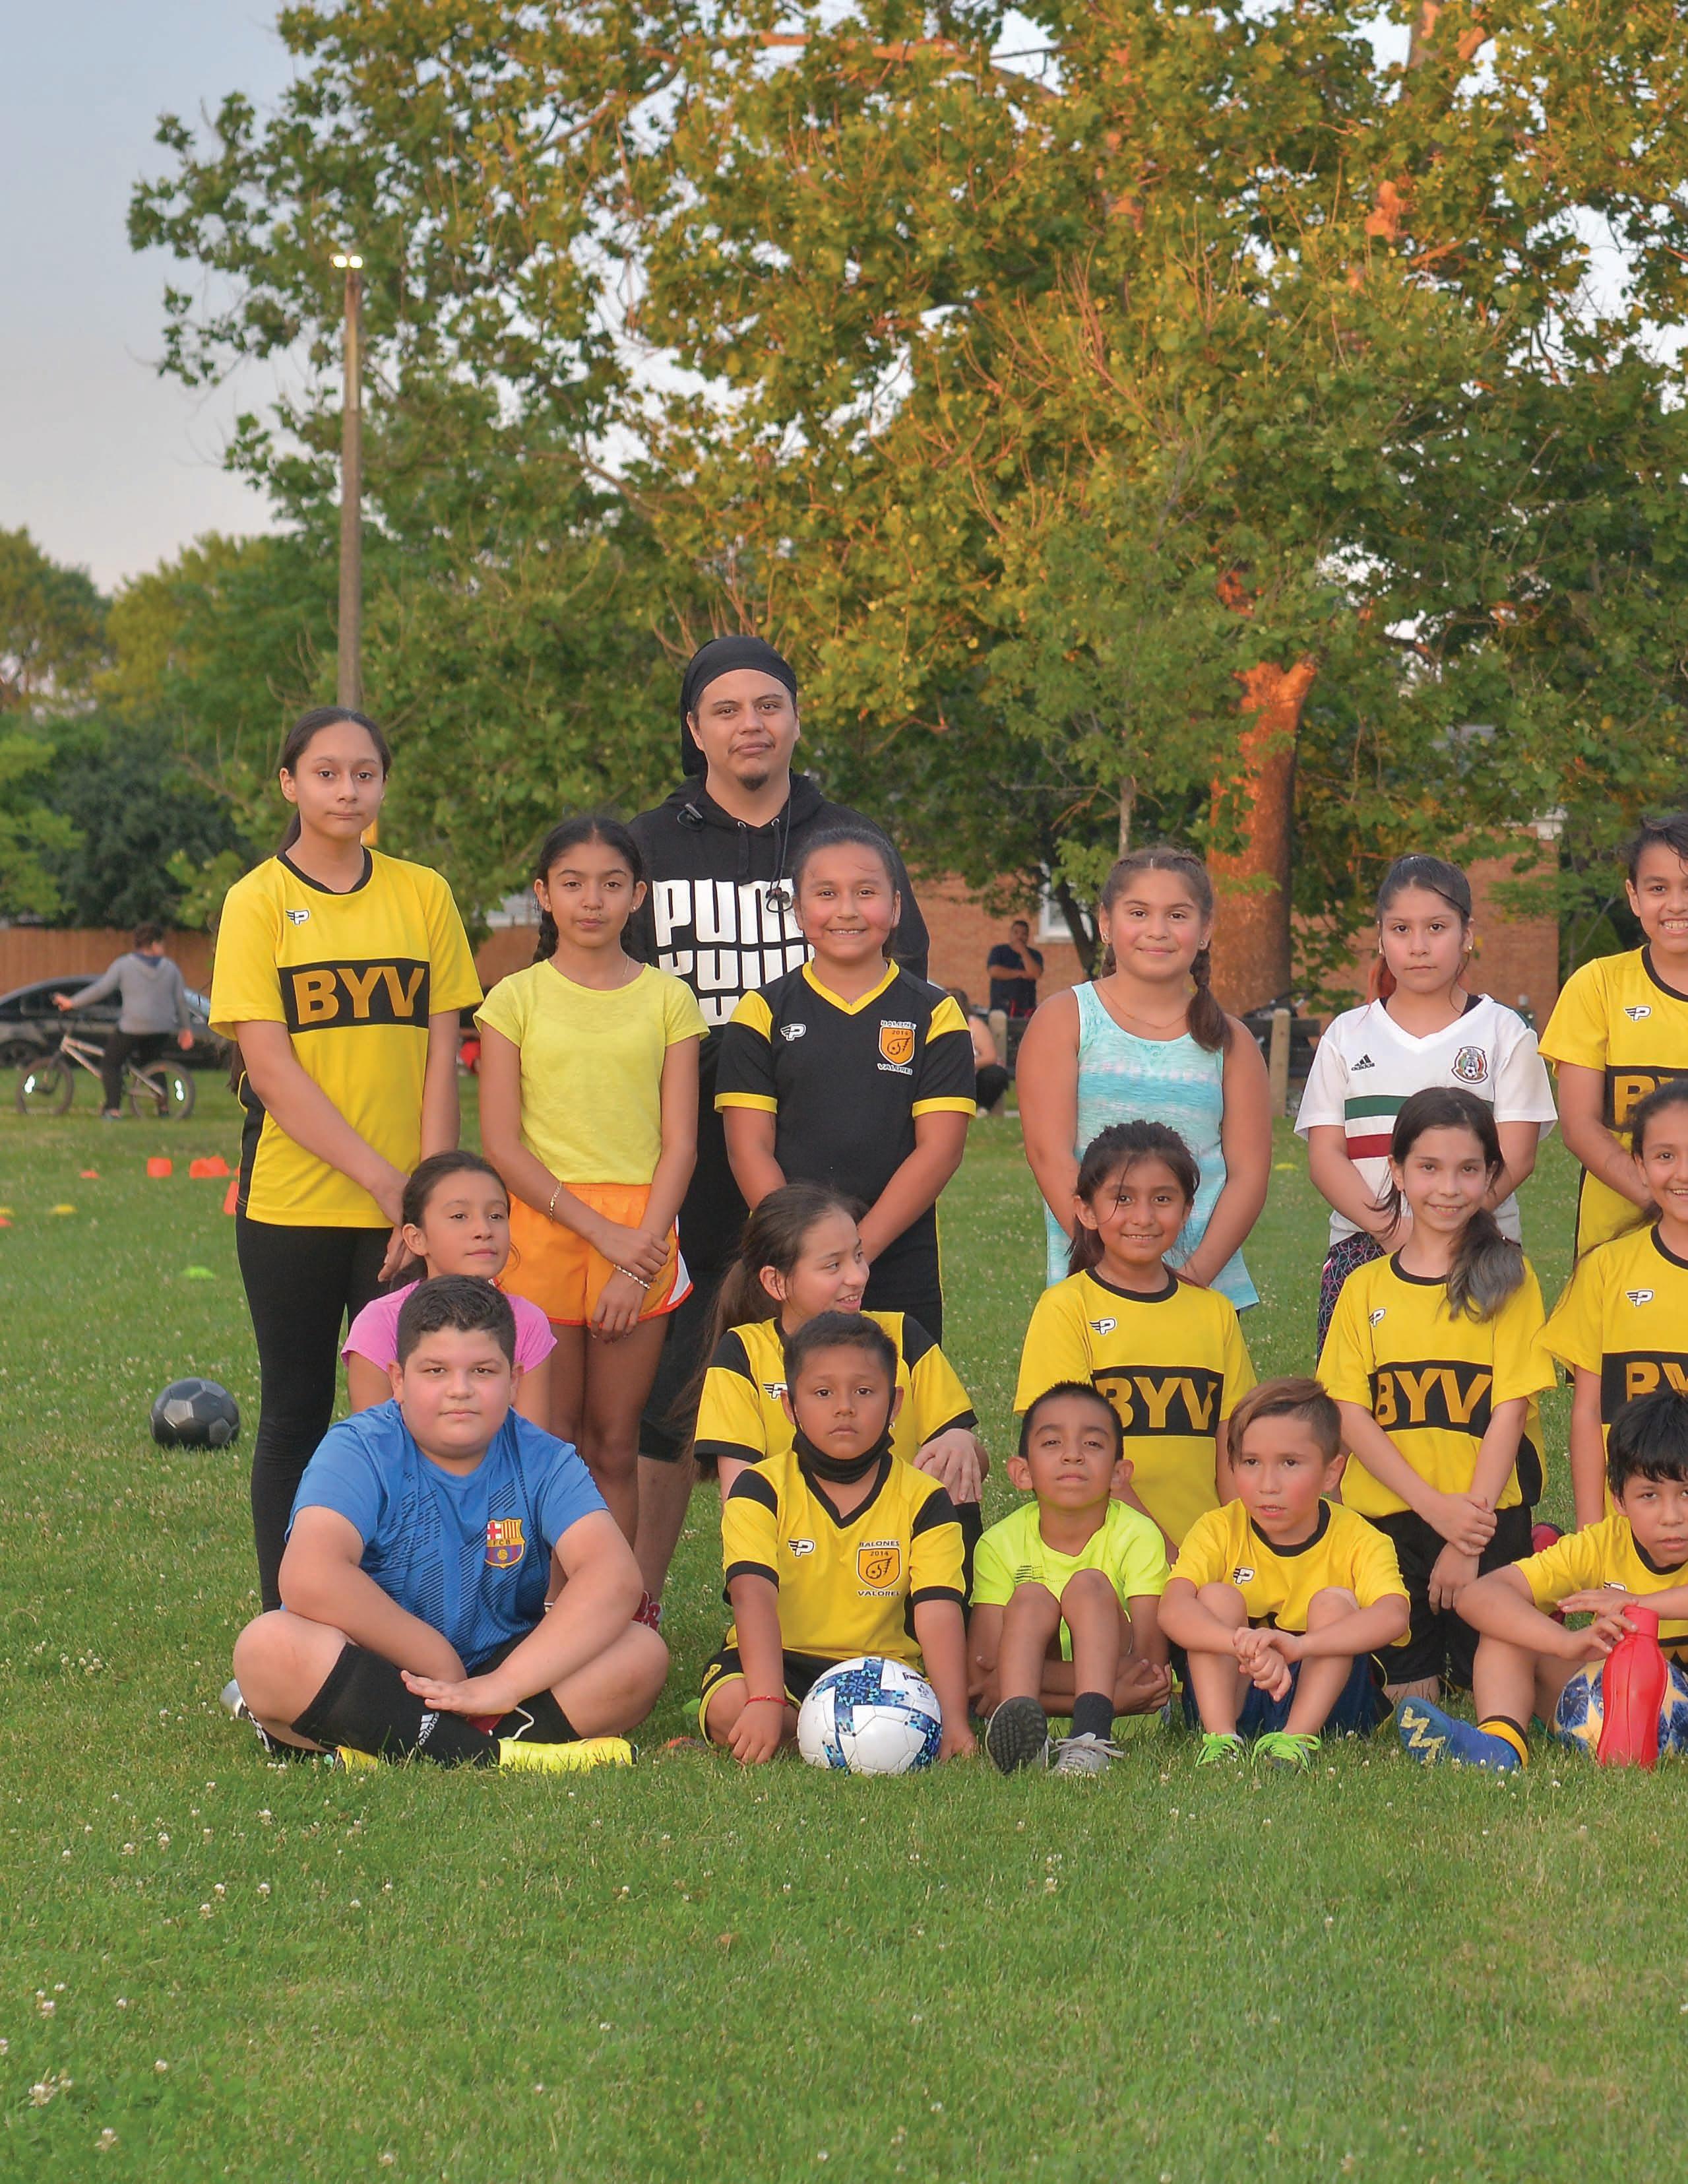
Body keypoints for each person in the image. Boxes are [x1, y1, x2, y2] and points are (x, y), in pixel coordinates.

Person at [624, 633, 930, 1597]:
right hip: (690, 1164)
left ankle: (871, 1596)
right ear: (694, 728)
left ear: (796, 718)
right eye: (725, 708)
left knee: (860, 1385)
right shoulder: (647, 847)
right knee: (674, 1398)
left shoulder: (850, 843)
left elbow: (907, 993)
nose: (749, 724)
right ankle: (636, 1600)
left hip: (848, 1171)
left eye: (768, 704)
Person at [210, 707, 482, 1610]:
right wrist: (387, 1184)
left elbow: (441, 1058)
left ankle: (401, 1611)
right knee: (294, 1413)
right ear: (289, 782)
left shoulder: (424, 894)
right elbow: (272, 1071)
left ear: (382, 785)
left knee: (409, 1416)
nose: (347, 790)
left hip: (404, 1219)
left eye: (364, 773)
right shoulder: (256, 899)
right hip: (292, 1206)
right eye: (325, 773)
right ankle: (286, 1628)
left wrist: (430, 1199)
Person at [228, 1277, 668, 1770]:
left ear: (514, 1381)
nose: (460, 1390)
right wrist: (436, 1659)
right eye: (435, 1371)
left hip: (497, 1669)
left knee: (641, 1653)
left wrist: (503, 1684)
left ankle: (391, 1747)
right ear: (398, 1380)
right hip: (377, 1667)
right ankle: (496, 1753)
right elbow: (309, 1575)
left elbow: (614, 1577)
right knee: (267, 1648)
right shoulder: (359, 1448)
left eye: (483, 1371)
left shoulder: (545, 1459)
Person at [475, 816, 705, 1609]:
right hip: (543, 1229)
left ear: (637, 895)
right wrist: (599, 1234)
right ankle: (540, 1614)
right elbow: (502, 1143)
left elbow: (681, 1145)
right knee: (550, 1442)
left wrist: (633, 1257)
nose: (592, 900)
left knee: (613, 1442)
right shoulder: (514, 999)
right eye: (572, 883)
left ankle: (612, 1613)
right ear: (543, 894)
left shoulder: (668, 999)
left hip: (642, 1237)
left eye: (612, 884)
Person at [1317, 1088, 1552, 1702]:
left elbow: (1509, 1411)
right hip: (1391, 1521)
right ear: (1396, 1171)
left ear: (1490, 1175)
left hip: (1486, 1518)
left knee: (1491, 1683)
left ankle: (1535, 1565)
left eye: (1467, 1169)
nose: (1448, 1188)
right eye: (1428, 1167)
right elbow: (1349, 1413)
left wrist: (1464, 1535)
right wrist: (1432, 1510)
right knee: (1408, 1700)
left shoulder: (1509, 1278)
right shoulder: (1364, 1288)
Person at [716, 823, 974, 1336]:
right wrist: (802, 1255)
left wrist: (852, 1257)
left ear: (896, 908)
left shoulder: (935, 1013)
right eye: (826, 894)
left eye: (866, 892)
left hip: (897, 1258)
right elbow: (749, 1148)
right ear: (797, 910)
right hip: (791, 1267)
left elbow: (939, 1150)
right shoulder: (761, 1011)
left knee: (898, 1384)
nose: (847, 910)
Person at [1297, 854, 1556, 1355]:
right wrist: (1396, 1233)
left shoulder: (1504, 1033)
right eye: (1401, 929)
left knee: (1475, 1390)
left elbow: (1516, 1155)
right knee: (1360, 1393)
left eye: (1436, 927)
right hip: (1367, 1246)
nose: (1418, 946)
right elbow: (1325, 1155)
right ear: (1380, 938)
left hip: (1478, 1246)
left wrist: (1442, 1232)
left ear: (1467, 934)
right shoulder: (1346, 1036)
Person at [699, 1312, 973, 1764]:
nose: (844, 1407)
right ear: (790, 1407)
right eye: (823, 1393)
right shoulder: (760, 1487)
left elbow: (938, 1612)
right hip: (781, 1661)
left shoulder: (925, 1498)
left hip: (882, 1670)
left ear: (895, 1404)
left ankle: (819, 1733)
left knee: (895, 1723)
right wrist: (766, 1698)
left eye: (864, 1392)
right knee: (732, 1706)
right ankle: (813, 1726)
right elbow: (752, 1594)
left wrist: (955, 1721)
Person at [1016, 844, 1269, 1306]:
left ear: (1205, 930)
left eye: (1177, 915)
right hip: (1093, 1283)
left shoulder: (1230, 1042)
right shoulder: (1066, 1020)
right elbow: (1049, 1155)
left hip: (1202, 1289)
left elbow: (1249, 1176)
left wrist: (1190, 1281)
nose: (1158, 930)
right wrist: (1111, 1269)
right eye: (1138, 913)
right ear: (1106, 924)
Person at [1398, 1390, 1688, 1770]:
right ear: (1618, 1499)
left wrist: (1636, 1605)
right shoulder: (1603, 1544)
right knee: (1507, 1631)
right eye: (1649, 1495)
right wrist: (1566, 1643)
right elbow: (1479, 1596)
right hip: (1610, 1702)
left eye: (1686, 1493)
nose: (1672, 1516)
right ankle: (1500, 1746)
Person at [1014, 1122, 1256, 1553]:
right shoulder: (1066, 1308)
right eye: (1122, 1199)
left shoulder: (1214, 1312)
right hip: (1101, 1555)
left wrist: (1234, 1548)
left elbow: (1233, 1450)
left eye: (1162, 1199)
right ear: (1086, 1210)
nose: (1143, 1217)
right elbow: (1073, 1455)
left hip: (1202, 1552)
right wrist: (1165, 1556)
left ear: (1186, 1211)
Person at [691, 1184, 987, 1535]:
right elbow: (740, 1500)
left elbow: (973, 1461)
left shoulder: (902, 1336)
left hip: (897, 1547)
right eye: (833, 1265)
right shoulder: (744, 1353)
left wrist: (960, 1442)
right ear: (776, 1282)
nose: (858, 1276)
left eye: (858, 1256)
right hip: (793, 1552)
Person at [1160, 1379, 1410, 1768]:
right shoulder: (1217, 1528)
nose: (1268, 1485)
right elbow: (1172, 1609)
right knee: (1214, 1597)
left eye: (1290, 1463)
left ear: (1331, 1473)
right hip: (1237, 1685)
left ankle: (1297, 1740)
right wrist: (1241, 1643)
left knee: (1334, 1603)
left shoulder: (1361, 1537)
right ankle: (1221, 1739)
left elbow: (1394, 1616)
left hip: (1330, 1706)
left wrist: (1301, 1647)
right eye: (1251, 1463)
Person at [970, 1383, 1171, 1776]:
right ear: (1022, 1472)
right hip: (1112, 1703)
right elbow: (982, 1682)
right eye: (1052, 1443)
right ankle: (1029, 1745)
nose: (1073, 1455)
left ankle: (1091, 1737)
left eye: (1093, 1444)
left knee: (1088, 1586)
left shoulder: (1139, 1535)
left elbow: (1149, 1669)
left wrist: (1018, 1673)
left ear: (1119, 1474)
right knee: (1031, 1598)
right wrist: (1115, 1695)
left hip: (1130, 1724)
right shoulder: (998, 1544)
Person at [1539, 1079, 1688, 1526]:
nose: (1682, 1173)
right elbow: (1587, 1414)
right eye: (1665, 1156)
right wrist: (1592, 1533)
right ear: (1639, 1165)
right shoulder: (1605, 1269)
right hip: (1624, 1529)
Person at [1540, 812, 1688, 1260]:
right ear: (1633, 896)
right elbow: (1579, 1125)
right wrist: (1664, 1205)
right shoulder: (1598, 985)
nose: (1675, 904)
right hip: (1615, 1245)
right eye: (1658, 888)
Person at [342, 1151, 555, 1425]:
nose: (484, 1230)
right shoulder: (379, 1323)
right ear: (416, 1238)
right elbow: (374, 1440)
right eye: (459, 1216)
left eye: (496, 1215)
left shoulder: (528, 1322)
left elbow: (531, 1440)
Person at [53, 922, 193, 1118]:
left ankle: (113, 1109)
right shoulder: (171, 968)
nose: (164, 948)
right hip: (162, 1027)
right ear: (154, 945)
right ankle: (163, 1108)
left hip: (133, 1026)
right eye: (162, 944)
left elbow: (101, 989)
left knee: (111, 1063)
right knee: (153, 1063)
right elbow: (180, 1000)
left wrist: (72, 1002)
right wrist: (186, 1028)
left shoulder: (124, 965)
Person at [951, 990, 1011, 1116]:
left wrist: (963, 1066)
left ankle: (983, 1109)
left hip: (974, 1074)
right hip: (949, 1076)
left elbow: (990, 1056)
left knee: (995, 1075)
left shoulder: (974, 1025)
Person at [987, 918, 1043, 1019]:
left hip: (1026, 1010)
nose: (1019, 937)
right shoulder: (999, 951)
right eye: (1016, 933)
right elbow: (994, 971)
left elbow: (1035, 973)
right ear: (1010, 934)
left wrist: (1023, 952)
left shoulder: (1035, 955)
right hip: (1000, 1007)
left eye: (1024, 934)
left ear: (1028, 936)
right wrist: (1020, 974)